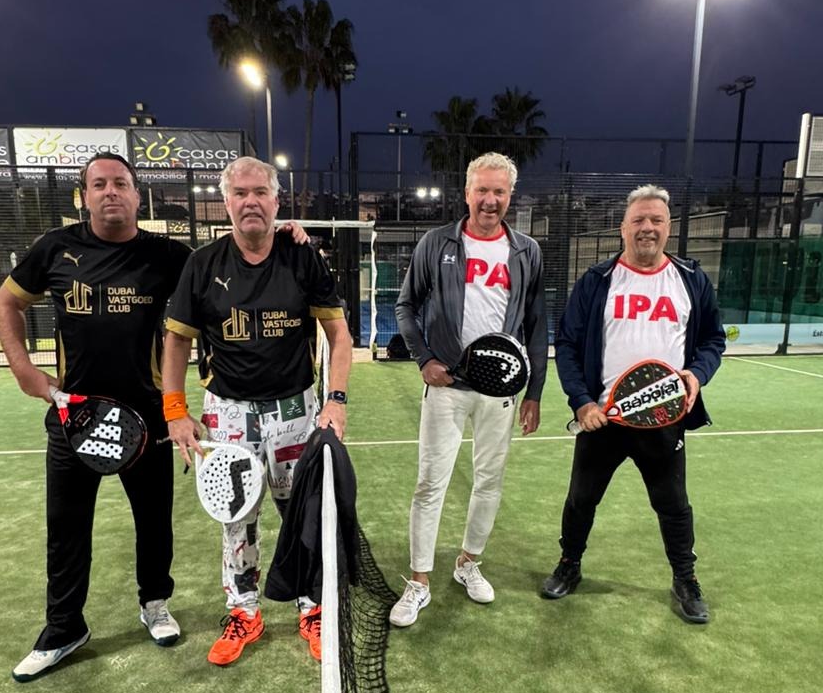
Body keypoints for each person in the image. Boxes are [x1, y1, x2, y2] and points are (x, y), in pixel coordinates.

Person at [0, 154, 191, 681]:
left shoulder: (168, 255)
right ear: (83, 196)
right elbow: (6, 304)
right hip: (73, 418)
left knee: (154, 523)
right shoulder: (55, 248)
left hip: (147, 419)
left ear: (137, 195)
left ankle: (155, 603)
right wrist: (24, 370)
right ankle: (64, 628)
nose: (110, 192)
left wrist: (287, 236)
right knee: (66, 530)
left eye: (120, 183)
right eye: (98, 184)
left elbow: (226, 271)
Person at [161, 156, 352, 666]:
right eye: (240, 193)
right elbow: (176, 341)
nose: (251, 202)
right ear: (226, 202)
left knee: (303, 513)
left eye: (260, 192)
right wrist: (174, 409)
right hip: (227, 414)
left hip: (295, 411)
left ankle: (312, 608)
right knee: (236, 517)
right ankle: (244, 611)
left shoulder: (302, 257)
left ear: (276, 200)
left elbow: (338, 334)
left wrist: (335, 401)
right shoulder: (203, 264)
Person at [542, 183, 725, 622]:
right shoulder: (597, 280)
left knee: (673, 505)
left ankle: (685, 578)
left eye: (656, 220)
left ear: (668, 228)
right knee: (581, 499)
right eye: (638, 220)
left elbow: (712, 340)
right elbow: (567, 344)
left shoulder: (691, 279)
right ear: (623, 228)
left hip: (662, 420)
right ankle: (569, 564)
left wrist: (697, 375)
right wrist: (582, 402)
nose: (647, 227)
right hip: (602, 420)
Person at [389, 152, 547, 627]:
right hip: (448, 387)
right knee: (430, 482)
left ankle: (468, 563)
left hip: (501, 390)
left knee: (489, 480)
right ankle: (419, 581)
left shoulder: (527, 251)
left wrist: (535, 391)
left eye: (499, 192)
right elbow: (405, 306)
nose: (490, 200)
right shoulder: (437, 243)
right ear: (467, 193)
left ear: (510, 196)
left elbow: (536, 324)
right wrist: (424, 359)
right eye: (482, 190)